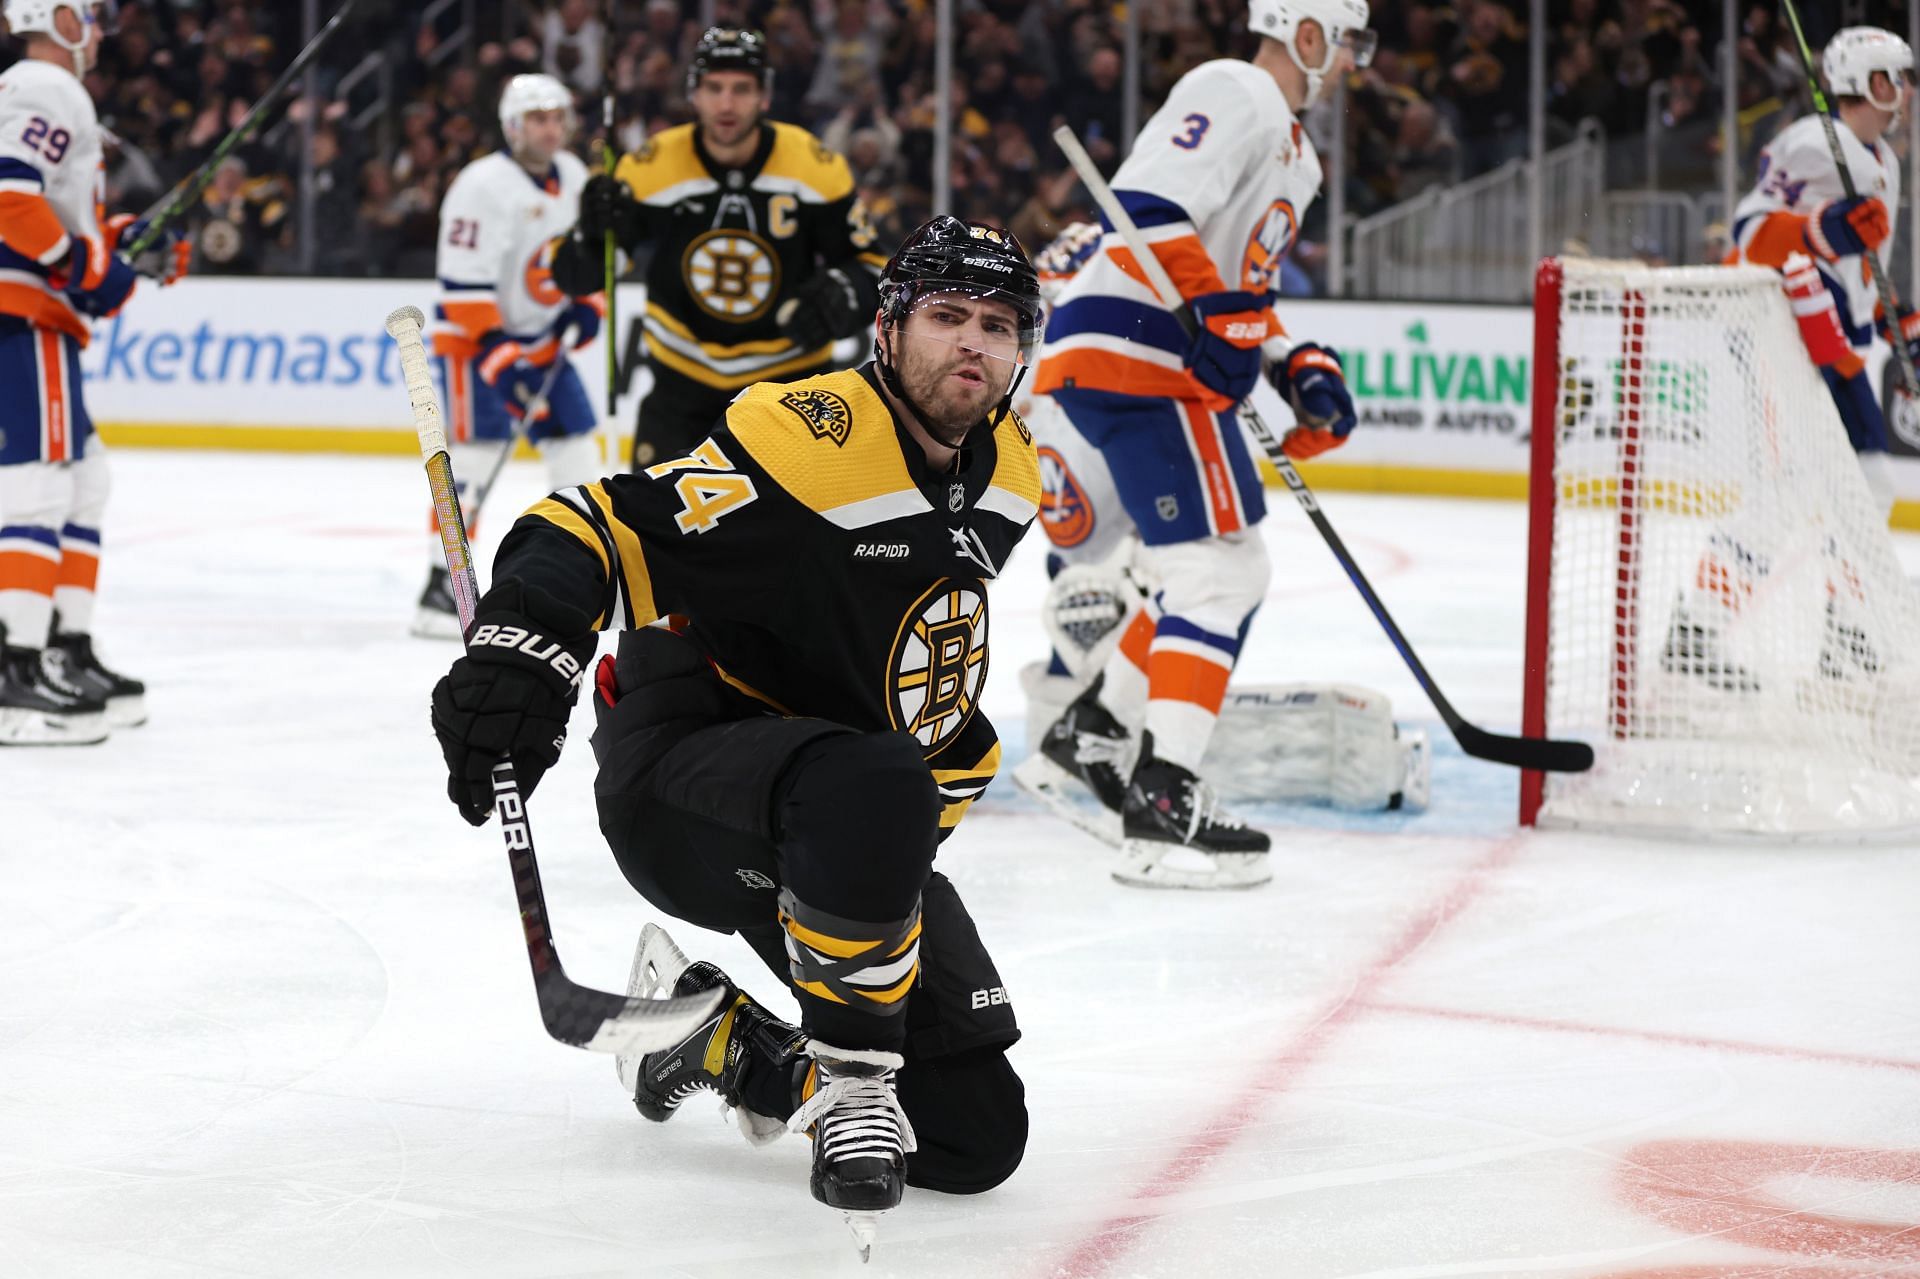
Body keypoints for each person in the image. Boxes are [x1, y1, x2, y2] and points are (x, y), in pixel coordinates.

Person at [428, 217, 1041, 1239]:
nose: (972, 343)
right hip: (685, 778)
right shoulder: (810, 443)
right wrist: (523, 647)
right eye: (945, 316)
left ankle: (715, 1041)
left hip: (839, 808)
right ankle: (847, 1079)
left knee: (976, 1138)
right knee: (879, 778)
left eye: (997, 323)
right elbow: (592, 524)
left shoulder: (1010, 469)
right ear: (888, 330)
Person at [1019, 0, 1373, 889]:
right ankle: (1164, 801)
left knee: (1209, 573)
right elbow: (1145, 207)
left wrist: (1301, 365)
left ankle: (1091, 738)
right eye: (1348, 38)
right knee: (1220, 573)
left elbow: (1231, 279)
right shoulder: (1236, 86)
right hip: (1141, 353)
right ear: (1307, 30)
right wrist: (1219, 318)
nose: (1354, 61)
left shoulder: (1298, 153)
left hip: (1149, 358)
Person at [547, 27, 887, 469]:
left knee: (795, 538)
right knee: (651, 533)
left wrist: (843, 295)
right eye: (715, 88)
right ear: (694, 95)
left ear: (764, 96)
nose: (727, 104)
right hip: (680, 385)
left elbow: (874, 270)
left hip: (790, 387)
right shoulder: (651, 166)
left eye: (742, 89)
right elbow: (575, 278)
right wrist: (590, 235)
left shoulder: (813, 166)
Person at [0, 0, 190, 744]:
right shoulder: (49, 87)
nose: (103, 29)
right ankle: (16, 671)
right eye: (92, 13)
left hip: (38, 311)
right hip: (25, 314)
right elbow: (11, 201)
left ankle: (60, 645)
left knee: (83, 479)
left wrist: (119, 246)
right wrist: (89, 267)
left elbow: (46, 212)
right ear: (55, 15)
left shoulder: (37, 90)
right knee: (39, 485)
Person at [411, 73, 606, 638]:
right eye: (537, 120)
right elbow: (462, 283)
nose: (550, 130)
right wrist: (500, 355)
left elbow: (587, 257)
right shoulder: (480, 186)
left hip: (545, 338)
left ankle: (587, 561)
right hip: (477, 343)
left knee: (576, 450)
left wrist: (586, 304)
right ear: (513, 127)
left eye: (557, 118)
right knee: (474, 461)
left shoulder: (572, 174)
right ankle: (441, 581)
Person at [1726, 25, 1912, 519]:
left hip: (1835, 347)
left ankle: (1842, 597)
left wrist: (1902, 322)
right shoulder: (1812, 142)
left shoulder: (1884, 164)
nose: (1908, 89)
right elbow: (1748, 232)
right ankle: (1712, 597)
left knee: (1869, 487)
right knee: (1784, 488)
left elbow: (1860, 273)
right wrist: (1824, 229)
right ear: (1868, 83)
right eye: (1897, 77)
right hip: (1782, 338)